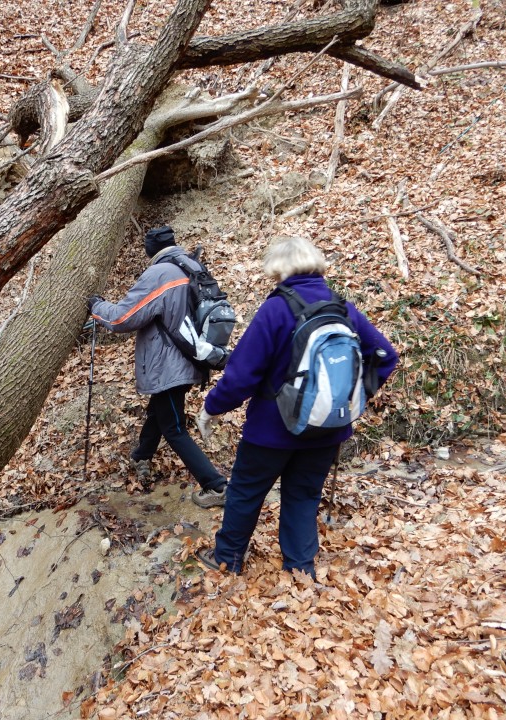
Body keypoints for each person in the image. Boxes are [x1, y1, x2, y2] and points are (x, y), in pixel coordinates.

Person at [194, 235, 398, 577]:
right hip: (327, 429)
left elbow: (242, 375)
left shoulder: (276, 309)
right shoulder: (343, 308)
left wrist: (211, 408)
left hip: (270, 432)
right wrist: (350, 400)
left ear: (280, 270)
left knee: (245, 492)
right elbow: (385, 357)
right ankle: (300, 571)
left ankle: (227, 558)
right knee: (303, 496)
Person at [88, 226, 229, 508]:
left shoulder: (159, 274)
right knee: (160, 411)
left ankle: (216, 485)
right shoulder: (191, 265)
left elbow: (123, 319)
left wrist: (97, 306)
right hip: (189, 357)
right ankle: (142, 455)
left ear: (150, 249)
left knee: (174, 427)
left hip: (169, 363)